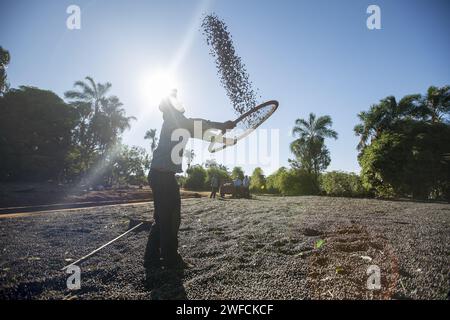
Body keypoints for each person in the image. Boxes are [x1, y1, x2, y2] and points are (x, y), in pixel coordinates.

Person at [144, 89, 235, 270]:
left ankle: (151, 258)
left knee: (163, 218)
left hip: (161, 175)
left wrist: (225, 139)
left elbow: (201, 133)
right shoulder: (174, 120)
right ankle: (170, 260)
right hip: (162, 176)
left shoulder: (177, 123)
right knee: (171, 218)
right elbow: (198, 125)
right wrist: (221, 124)